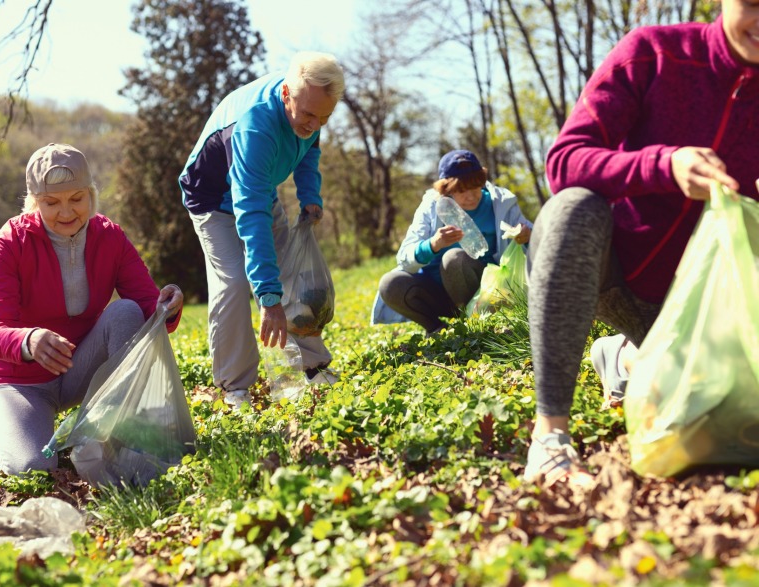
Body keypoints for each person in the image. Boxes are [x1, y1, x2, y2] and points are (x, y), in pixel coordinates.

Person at [524, 0, 759, 486]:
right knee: (574, 209)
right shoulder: (654, 55)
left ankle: (629, 358)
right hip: (620, 276)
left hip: (714, 310)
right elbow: (565, 161)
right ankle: (549, 437)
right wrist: (664, 167)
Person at [0, 143, 184, 476]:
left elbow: (147, 304)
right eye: (51, 203)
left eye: (76, 199)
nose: (66, 212)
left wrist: (167, 306)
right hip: (22, 381)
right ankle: (4, 426)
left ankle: (128, 431)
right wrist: (29, 341)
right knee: (33, 467)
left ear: (90, 194)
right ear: (34, 202)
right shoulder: (8, 243)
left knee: (127, 312)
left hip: (80, 367)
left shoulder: (110, 237)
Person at [179, 51, 345, 408]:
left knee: (294, 271)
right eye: (309, 115)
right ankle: (235, 386)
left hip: (258, 188)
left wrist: (309, 194)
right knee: (236, 282)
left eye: (325, 117)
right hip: (212, 197)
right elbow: (251, 213)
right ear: (286, 95)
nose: (315, 124)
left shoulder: (309, 106)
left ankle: (312, 365)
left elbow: (309, 146)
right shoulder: (255, 126)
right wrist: (268, 298)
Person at [371, 149, 532, 334]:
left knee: (454, 259)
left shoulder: (501, 203)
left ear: (482, 181)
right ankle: (436, 329)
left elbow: (537, 236)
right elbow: (404, 257)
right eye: (461, 190)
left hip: (485, 293)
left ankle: (476, 327)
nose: (470, 196)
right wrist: (433, 244)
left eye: (475, 187)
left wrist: (526, 236)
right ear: (446, 189)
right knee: (390, 284)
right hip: (437, 293)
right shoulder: (431, 207)